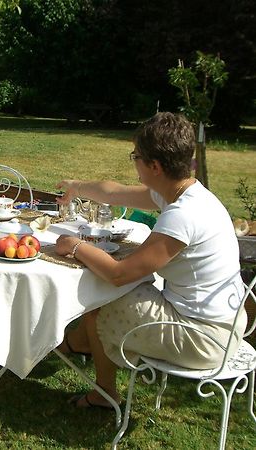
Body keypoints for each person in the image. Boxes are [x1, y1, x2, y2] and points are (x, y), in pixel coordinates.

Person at [55, 112, 247, 409]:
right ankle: (77, 344)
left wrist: (76, 245)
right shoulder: (185, 193)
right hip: (224, 321)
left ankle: (103, 393)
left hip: (205, 338)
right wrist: (76, 186)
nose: (133, 162)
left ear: (154, 166)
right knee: (111, 291)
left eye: (136, 156)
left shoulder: (183, 214)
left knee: (101, 299)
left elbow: (119, 274)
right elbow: (114, 193)